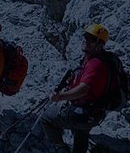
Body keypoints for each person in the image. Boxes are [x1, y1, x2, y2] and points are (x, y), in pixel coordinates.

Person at [41, 24, 111, 153]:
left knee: (47, 119)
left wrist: (59, 97)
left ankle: (61, 149)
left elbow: (83, 89)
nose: (86, 41)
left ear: (100, 44)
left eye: (91, 39)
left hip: (85, 112)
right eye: (86, 37)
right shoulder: (91, 59)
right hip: (94, 112)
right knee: (81, 132)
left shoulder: (95, 64)